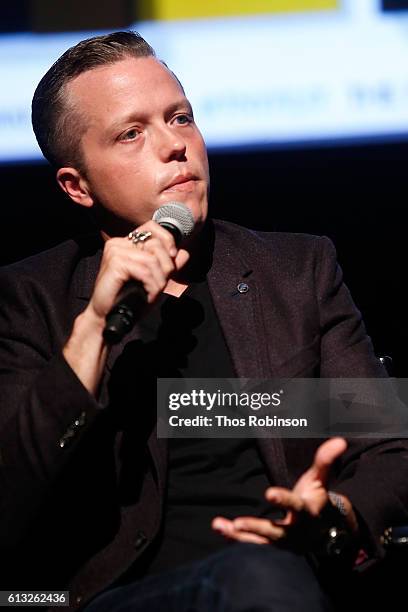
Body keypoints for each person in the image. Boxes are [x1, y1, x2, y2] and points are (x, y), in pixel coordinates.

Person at [0, 31, 407, 612]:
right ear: (77, 185)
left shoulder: (294, 274)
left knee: (265, 579)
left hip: (285, 579)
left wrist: (336, 515)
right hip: (90, 599)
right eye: (132, 133)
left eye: (180, 117)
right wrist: (91, 328)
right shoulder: (29, 300)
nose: (174, 145)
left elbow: (387, 447)